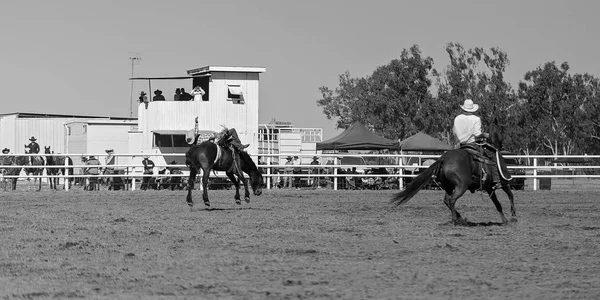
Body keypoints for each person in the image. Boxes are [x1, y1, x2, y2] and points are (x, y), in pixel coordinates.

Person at [453, 99, 511, 189]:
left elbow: (455, 133)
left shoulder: (457, 118)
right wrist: (484, 135)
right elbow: (477, 135)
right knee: (492, 156)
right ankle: (496, 180)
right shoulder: (476, 119)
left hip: (460, 145)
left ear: (463, 108)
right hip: (473, 144)